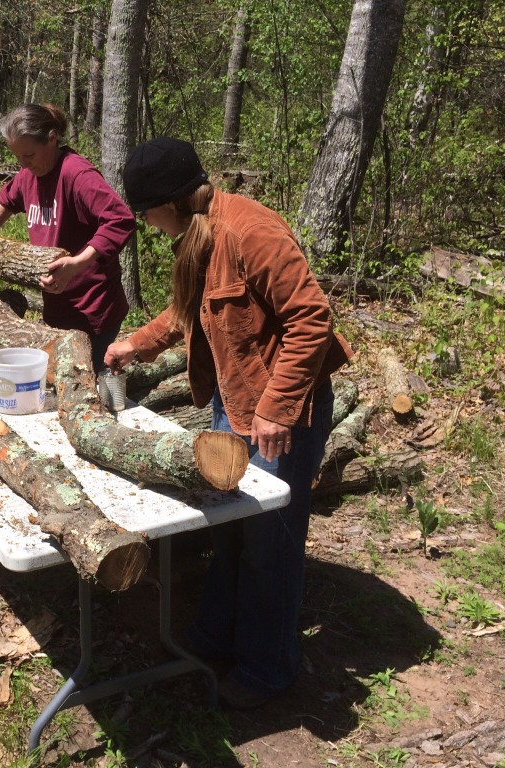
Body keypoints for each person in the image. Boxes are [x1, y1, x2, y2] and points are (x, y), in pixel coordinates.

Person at [105, 137, 353, 709]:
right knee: (229, 528)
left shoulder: (249, 230)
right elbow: (187, 307)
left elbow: (312, 318)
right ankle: (215, 638)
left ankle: (268, 671)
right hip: (233, 404)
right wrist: (136, 346)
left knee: (271, 542)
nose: (147, 223)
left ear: (171, 202)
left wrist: (275, 408)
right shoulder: (199, 233)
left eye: (147, 212)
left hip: (281, 414)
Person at [0, 104, 135, 369]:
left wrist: (77, 263)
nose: (23, 164)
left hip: (93, 308)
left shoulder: (77, 174)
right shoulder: (28, 174)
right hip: (58, 306)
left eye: (28, 155)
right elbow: (6, 199)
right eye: (18, 157)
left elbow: (120, 219)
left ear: (52, 139)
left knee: (88, 384)